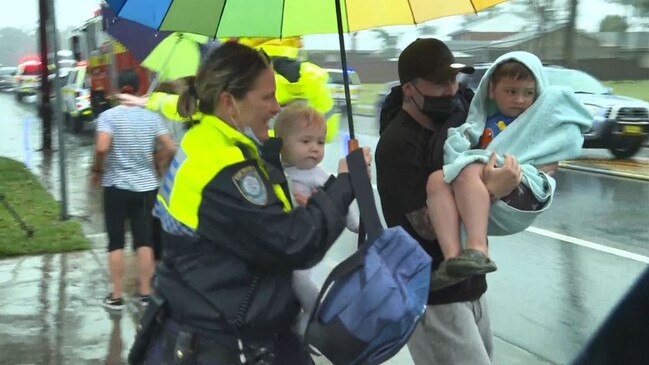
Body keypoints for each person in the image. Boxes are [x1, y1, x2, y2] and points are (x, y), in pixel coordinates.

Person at [131, 42, 371, 364]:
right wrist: (344, 185)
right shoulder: (223, 167)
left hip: (220, 328)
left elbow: (254, 225)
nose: (276, 108)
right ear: (229, 101)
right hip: (227, 343)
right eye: (267, 97)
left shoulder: (212, 142)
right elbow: (293, 242)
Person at [375, 38, 522, 365]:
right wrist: (491, 191)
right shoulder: (398, 145)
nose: (450, 90)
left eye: (454, 80)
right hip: (434, 296)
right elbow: (425, 227)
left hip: (472, 286)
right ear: (409, 89)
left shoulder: (457, 127)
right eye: (438, 82)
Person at [425, 52, 591, 290]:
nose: (521, 100)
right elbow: (461, 149)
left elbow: (562, 136)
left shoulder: (537, 121)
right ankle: (453, 259)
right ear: (491, 90)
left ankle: (477, 248)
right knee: (436, 180)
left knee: (469, 169)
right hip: (485, 185)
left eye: (528, 93)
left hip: (521, 187)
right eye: (511, 91)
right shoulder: (481, 121)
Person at [90, 69, 176, 311]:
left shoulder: (108, 116)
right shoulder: (151, 117)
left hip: (115, 187)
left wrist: (96, 169)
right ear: (138, 88)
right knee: (144, 240)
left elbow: (101, 147)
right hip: (146, 187)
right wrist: (156, 161)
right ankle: (146, 293)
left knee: (115, 241)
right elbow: (170, 147)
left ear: (119, 87)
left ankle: (116, 296)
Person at [273, 101, 360, 336]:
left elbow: (337, 201)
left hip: (303, 246)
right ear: (281, 145)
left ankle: (315, 315)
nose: (315, 148)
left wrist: (355, 225)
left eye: (320, 142)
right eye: (306, 141)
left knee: (299, 282)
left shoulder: (316, 174)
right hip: (286, 241)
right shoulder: (276, 169)